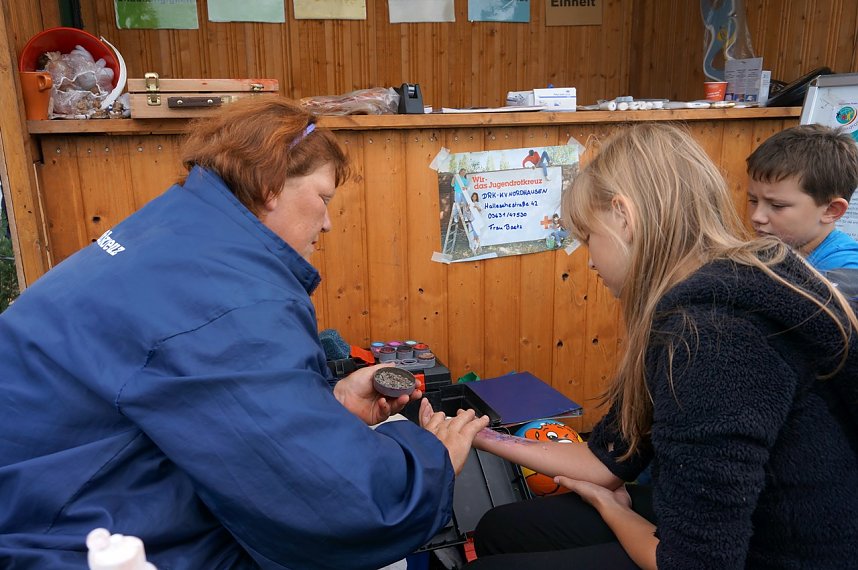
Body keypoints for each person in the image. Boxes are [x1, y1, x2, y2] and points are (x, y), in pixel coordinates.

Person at [0, 97, 489, 569]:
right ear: (271, 184)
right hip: (56, 534)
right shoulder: (234, 298)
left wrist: (330, 404)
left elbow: (198, 403)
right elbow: (343, 505)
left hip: (54, 490)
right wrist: (432, 457)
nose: (328, 222)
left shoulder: (169, 232)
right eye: (322, 198)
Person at [467, 123, 858, 569]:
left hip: (781, 554)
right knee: (503, 529)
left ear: (624, 217)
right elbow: (607, 460)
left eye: (588, 237)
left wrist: (614, 512)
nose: (590, 260)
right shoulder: (695, 302)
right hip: (733, 527)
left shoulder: (712, 339)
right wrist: (478, 434)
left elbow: (695, 563)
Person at [746, 123, 858, 272]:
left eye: (777, 205)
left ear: (831, 210)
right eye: (753, 201)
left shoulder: (846, 270)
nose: (757, 216)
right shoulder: (773, 252)